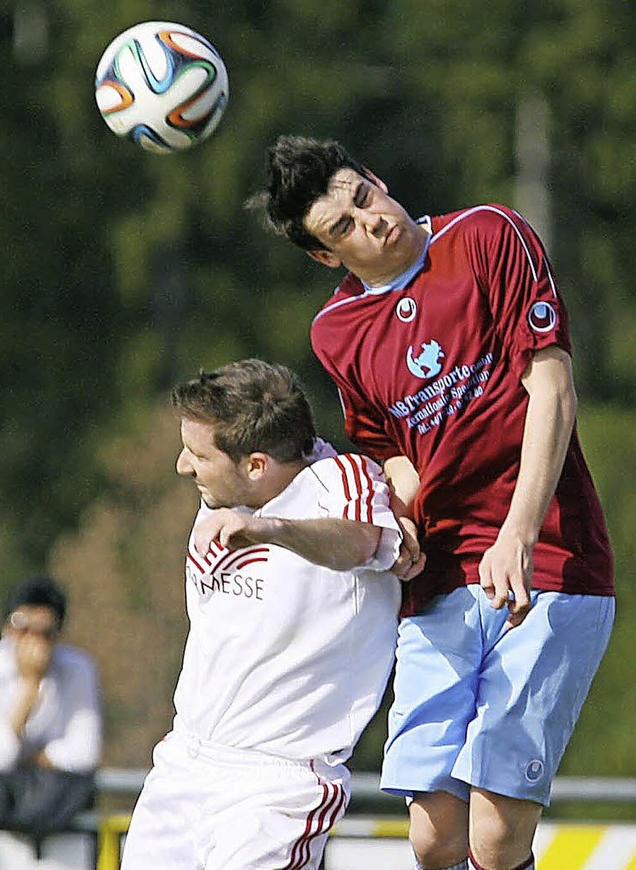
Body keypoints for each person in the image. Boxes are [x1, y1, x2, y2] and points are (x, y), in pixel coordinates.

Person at [249, 135, 615, 870]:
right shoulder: (336, 333)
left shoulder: (487, 234)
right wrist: (401, 520)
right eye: (343, 227)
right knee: (434, 839)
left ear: (377, 179)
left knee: (493, 833)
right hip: (443, 580)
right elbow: (395, 453)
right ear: (325, 256)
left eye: (363, 196)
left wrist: (516, 532)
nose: (371, 220)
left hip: (546, 560)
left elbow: (553, 387)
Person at [120, 358, 404, 870]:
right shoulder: (225, 492)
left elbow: (361, 541)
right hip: (183, 762)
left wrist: (270, 529)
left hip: (277, 786)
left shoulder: (340, 480)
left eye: (197, 455)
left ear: (256, 464)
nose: (183, 467)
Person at [0, 574, 102, 844]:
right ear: (7, 628)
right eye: (22, 627)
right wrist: (30, 689)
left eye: (44, 632)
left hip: (56, 807)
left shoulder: (78, 669)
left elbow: (85, 753)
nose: (32, 640)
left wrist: (28, 757)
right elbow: (0, 757)